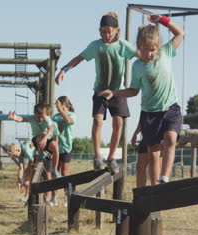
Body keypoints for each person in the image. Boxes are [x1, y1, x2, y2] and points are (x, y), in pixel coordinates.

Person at [98, 14, 184, 184]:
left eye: (152, 50)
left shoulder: (166, 53)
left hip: (170, 108)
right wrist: (115, 93)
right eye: (144, 50)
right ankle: (155, 188)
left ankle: (164, 178)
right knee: (152, 154)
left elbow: (180, 33)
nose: (149, 54)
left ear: (158, 47)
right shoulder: (137, 66)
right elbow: (134, 91)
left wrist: (162, 20)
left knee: (171, 139)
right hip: (149, 114)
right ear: (138, 47)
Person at [55, 11, 138, 174]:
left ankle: (112, 157)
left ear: (117, 31)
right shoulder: (96, 45)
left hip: (117, 92)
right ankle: (97, 156)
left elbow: (140, 55)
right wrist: (64, 69)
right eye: (103, 31)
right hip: (100, 91)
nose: (106, 35)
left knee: (118, 123)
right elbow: (79, 58)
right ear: (99, 31)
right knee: (98, 121)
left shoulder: (123, 45)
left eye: (109, 31)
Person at [8, 103, 61, 179]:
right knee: (40, 138)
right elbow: (22, 119)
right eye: (38, 117)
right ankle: (40, 155)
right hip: (36, 140)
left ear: (45, 114)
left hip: (47, 139)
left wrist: (46, 139)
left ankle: (55, 170)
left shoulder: (47, 119)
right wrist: (15, 117)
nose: (40, 119)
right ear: (34, 114)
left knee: (55, 146)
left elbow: (50, 130)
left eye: (42, 117)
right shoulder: (32, 118)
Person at [52, 96, 76, 207]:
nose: (56, 107)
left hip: (66, 148)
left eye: (58, 104)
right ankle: (53, 197)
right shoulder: (55, 117)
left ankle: (67, 197)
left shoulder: (71, 115)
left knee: (65, 173)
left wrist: (61, 110)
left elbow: (68, 121)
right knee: (54, 173)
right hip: (55, 148)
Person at [131, 120, 150, 187]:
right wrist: (135, 133)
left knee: (157, 168)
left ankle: (157, 194)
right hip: (146, 137)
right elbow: (143, 118)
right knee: (140, 167)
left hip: (159, 136)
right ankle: (140, 193)